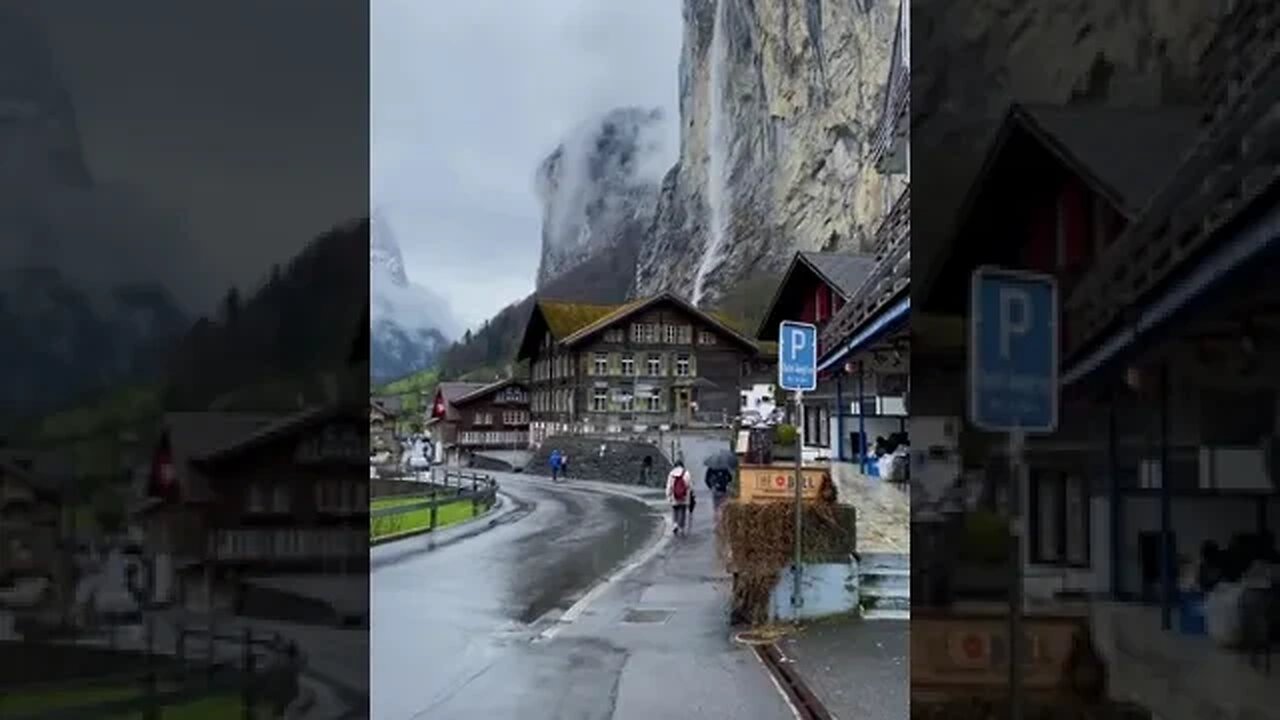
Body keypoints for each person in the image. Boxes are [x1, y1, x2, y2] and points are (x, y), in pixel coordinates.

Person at [666, 459, 692, 535]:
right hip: (683, 496)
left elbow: (669, 486)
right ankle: (681, 527)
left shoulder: (671, 474)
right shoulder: (686, 473)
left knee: (675, 510)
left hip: (674, 495)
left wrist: (668, 495)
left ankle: (675, 524)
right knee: (682, 511)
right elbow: (689, 485)